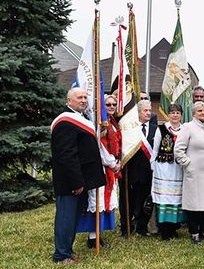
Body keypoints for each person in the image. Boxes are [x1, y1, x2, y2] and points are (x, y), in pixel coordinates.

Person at [50, 88, 105, 264]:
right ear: (69, 101)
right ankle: (61, 255)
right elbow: (66, 155)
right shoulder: (65, 122)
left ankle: (67, 250)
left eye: (85, 97)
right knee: (66, 218)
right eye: (79, 97)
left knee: (73, 218)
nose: (83, 100)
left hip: (81, 180)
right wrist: (76, 182)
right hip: (70, 182)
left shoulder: (82, 118)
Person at [77, 94, 122, 248]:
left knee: (106, 201)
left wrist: (118, 161)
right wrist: (112, 163)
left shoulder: (113, 122)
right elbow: (100, 147)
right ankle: (92, 237)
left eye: (113, 104)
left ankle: (99, 233)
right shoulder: (100, 124)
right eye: (107, 104)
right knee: (97, 200)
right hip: (101, 167)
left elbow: (117, 144)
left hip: (112, 166)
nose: (111, 107)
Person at [174, 101, 204, 243]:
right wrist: (188, 164)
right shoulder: (188, 127)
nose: (203, 113)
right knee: (193, 205)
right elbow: (178, 150)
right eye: (200, 111)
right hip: (194, 172)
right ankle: (194, 232)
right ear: (193, 113)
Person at [150, 104, 187, 240]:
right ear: (168, 114)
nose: (175, 115)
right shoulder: (161, 129)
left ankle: (174, 227)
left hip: (179, 169)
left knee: (177, 198)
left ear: (181, 115)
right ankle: (164, 229)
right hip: (163, 169)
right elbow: (155, 149)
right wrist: (152, 165)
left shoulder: (185, 129)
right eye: (172, 112)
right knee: (164, 198)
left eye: (178, 112)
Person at [121, 100, 156, 236]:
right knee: (128, 200)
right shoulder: (130, 129)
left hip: (148, 171)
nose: (148, 113)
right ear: (138, 113)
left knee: (145, 200)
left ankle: (142, 227)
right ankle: (126, 227)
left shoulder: (155, 129)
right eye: (145, 110)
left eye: (149, 110)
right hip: (131, 171)